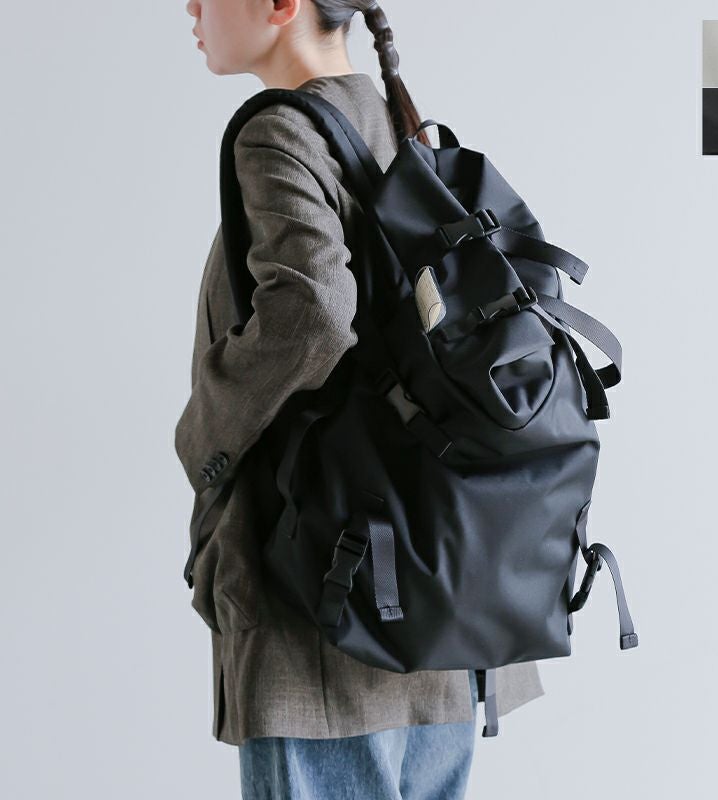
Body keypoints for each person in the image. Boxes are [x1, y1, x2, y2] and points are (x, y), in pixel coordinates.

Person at [177, 1, 545, 797]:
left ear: (281, 6)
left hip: (326, 616)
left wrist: (204, 434)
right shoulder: (399, 129)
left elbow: (313, 311)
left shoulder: (281, 131)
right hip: (439, 604)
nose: (192, 8)